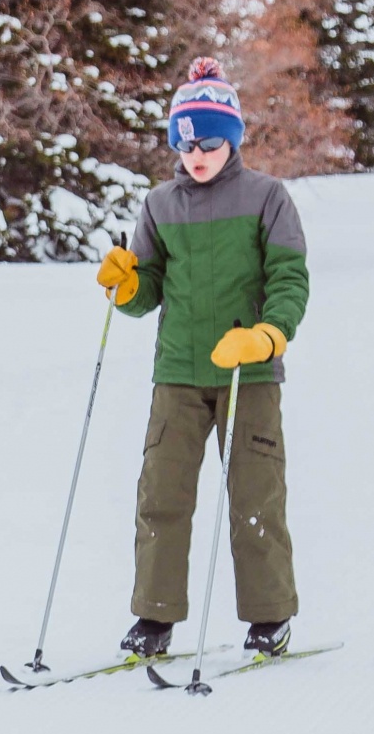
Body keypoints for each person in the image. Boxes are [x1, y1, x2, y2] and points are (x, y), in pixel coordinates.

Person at [94, 59, 312, 658]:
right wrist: (125, 284)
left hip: (250, 373)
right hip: (179, 374)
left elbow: (289, 277)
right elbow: (147, 291)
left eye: (210, 141)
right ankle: (154, 618)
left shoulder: (268, 196)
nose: (197, 153)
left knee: (255, 496)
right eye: (185, 142)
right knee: (161, 497)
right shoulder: (160, 204)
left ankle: (270, 618)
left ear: (233, 138)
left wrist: (269, 334)